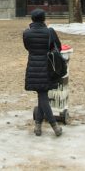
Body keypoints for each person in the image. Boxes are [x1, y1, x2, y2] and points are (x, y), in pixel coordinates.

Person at [23, 8, 63, 137]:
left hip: (33, 66)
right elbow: (58, 47)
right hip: (47, 67)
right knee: (43, 95)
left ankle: (38, 126)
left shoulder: (27, 33)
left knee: (41, 94)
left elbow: (27, 47)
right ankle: (54, 125)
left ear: (32, 19)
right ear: (44, 18)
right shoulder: (50, 32)